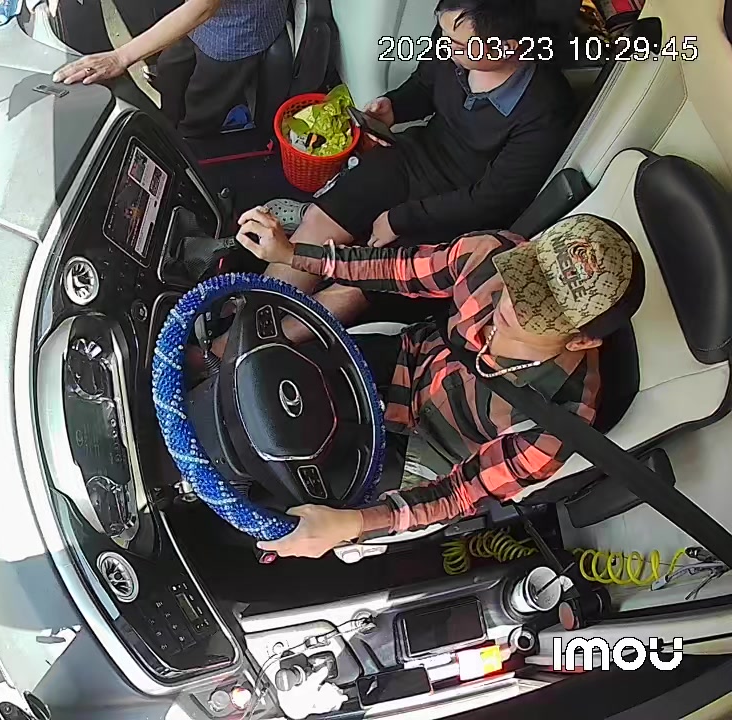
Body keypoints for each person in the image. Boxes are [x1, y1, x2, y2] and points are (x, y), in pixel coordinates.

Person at [233, 209, 644, 558]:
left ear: (581, 341)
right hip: (408, 361)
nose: (511, 301)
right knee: (266, 384)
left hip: (429, 454)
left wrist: (347, 525)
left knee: (285, 508)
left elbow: (461, 494)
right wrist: (293, 254)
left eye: (538, 309)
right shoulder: (491, 253)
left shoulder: (558, 423)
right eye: (525, 274)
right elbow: (399, 269)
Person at [217, 0, 578, 347]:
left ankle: (248, 350)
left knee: (358, 284)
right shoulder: (452, 41)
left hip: (460, 209)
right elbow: (424, 84)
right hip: (416, 157)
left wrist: (400, 218)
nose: (445, 47)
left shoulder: (545, 108)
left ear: (507, 47)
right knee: (320, 222)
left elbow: (491, 200)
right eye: (443, 35)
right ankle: (238, 324)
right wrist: (394, 107)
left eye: (457, 44)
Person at [51, 0, 288, 137]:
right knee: (169, 68)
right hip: (202, 18)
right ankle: (169, 125)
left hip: (239, 28)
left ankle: (190, 143)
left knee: (200, 105)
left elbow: (203, 7)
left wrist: (120, 57)